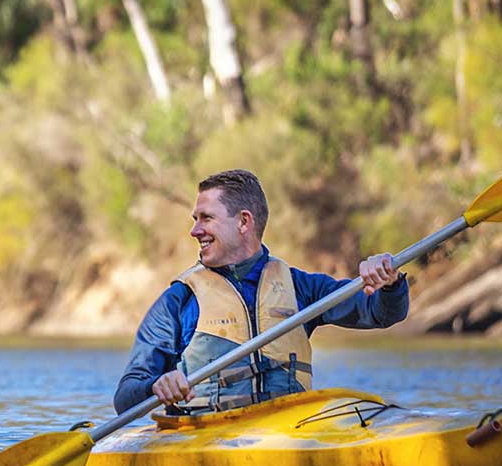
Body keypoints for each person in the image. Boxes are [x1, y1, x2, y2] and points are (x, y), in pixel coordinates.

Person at [114, 169, 409, 415]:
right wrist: (156, 386)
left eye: (206, 218)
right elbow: (125, 397)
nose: (194, 231)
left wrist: (389, 282)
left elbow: (381, 313)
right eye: (195, 220)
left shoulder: (301, 288)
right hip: (206, 439)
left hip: (290, 432)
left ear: (244, 221)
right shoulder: (179, 301)